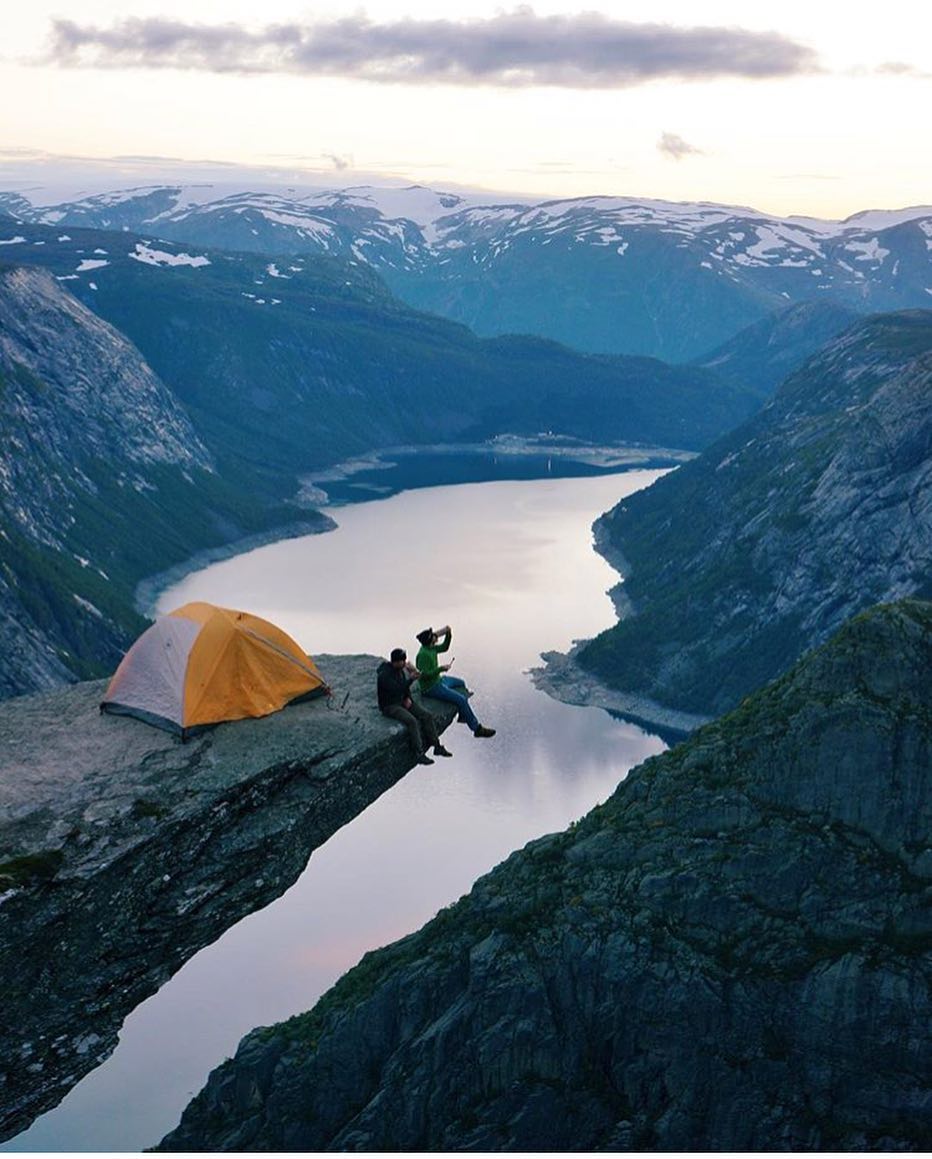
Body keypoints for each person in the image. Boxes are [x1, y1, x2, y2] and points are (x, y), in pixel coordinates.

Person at [415, 625, 495, 738]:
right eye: (432, 636)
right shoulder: (423, 655)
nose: (435, 636)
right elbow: (423, 676)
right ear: (429, 640)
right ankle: (476, 728)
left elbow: (444, 647)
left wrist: (448, 634)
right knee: (461, 700)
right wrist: (441, 669)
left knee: (461, 683)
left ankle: (463, 715)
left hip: (438, 680)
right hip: (431, 687)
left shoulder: (431, 648)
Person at [377, 647, 453, 766]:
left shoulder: (399, 670)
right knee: (412, 721)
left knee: (426, 715)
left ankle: (437, 746)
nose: (404, 663)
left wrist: (407, 697)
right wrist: (411, 680)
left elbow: (403, 687)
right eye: (402, 661)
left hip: (401, 700)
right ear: (395, 662)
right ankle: (418, 753)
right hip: (390, 705)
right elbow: (395, 689)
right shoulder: (385, 675)